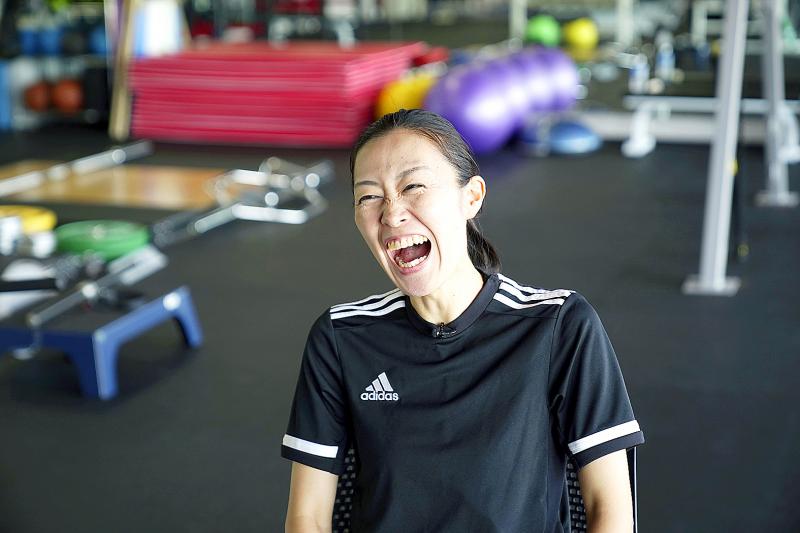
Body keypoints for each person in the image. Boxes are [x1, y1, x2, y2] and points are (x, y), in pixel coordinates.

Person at [281, 109, 644, 532]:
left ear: (471, 197)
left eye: (413, 186)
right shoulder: (341, 337)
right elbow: (307, 516)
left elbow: (610, 510)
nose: (391, 213)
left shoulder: (558, 326)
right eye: (369, 197)